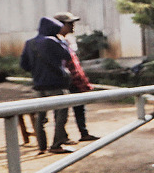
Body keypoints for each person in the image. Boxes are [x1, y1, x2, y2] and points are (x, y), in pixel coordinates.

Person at [19, 16, 73, 154]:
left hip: (38, 86)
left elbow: (23, 65)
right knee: (61, 115)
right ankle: (56, 145)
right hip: (56, 85)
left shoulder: (29, 43)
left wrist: (38, 70)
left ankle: (41, 147)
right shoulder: (53, 41)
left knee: (40, 118)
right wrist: (63, 42)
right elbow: (67, 56)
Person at [52, 11, 97, 142]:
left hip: (74, 79)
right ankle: (62, 136)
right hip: (63, 80)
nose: (72, 26)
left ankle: (83, 132)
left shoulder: (67, 40)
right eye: (69, 23)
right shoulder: (54, 41)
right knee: (61, 111)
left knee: (79, 107)